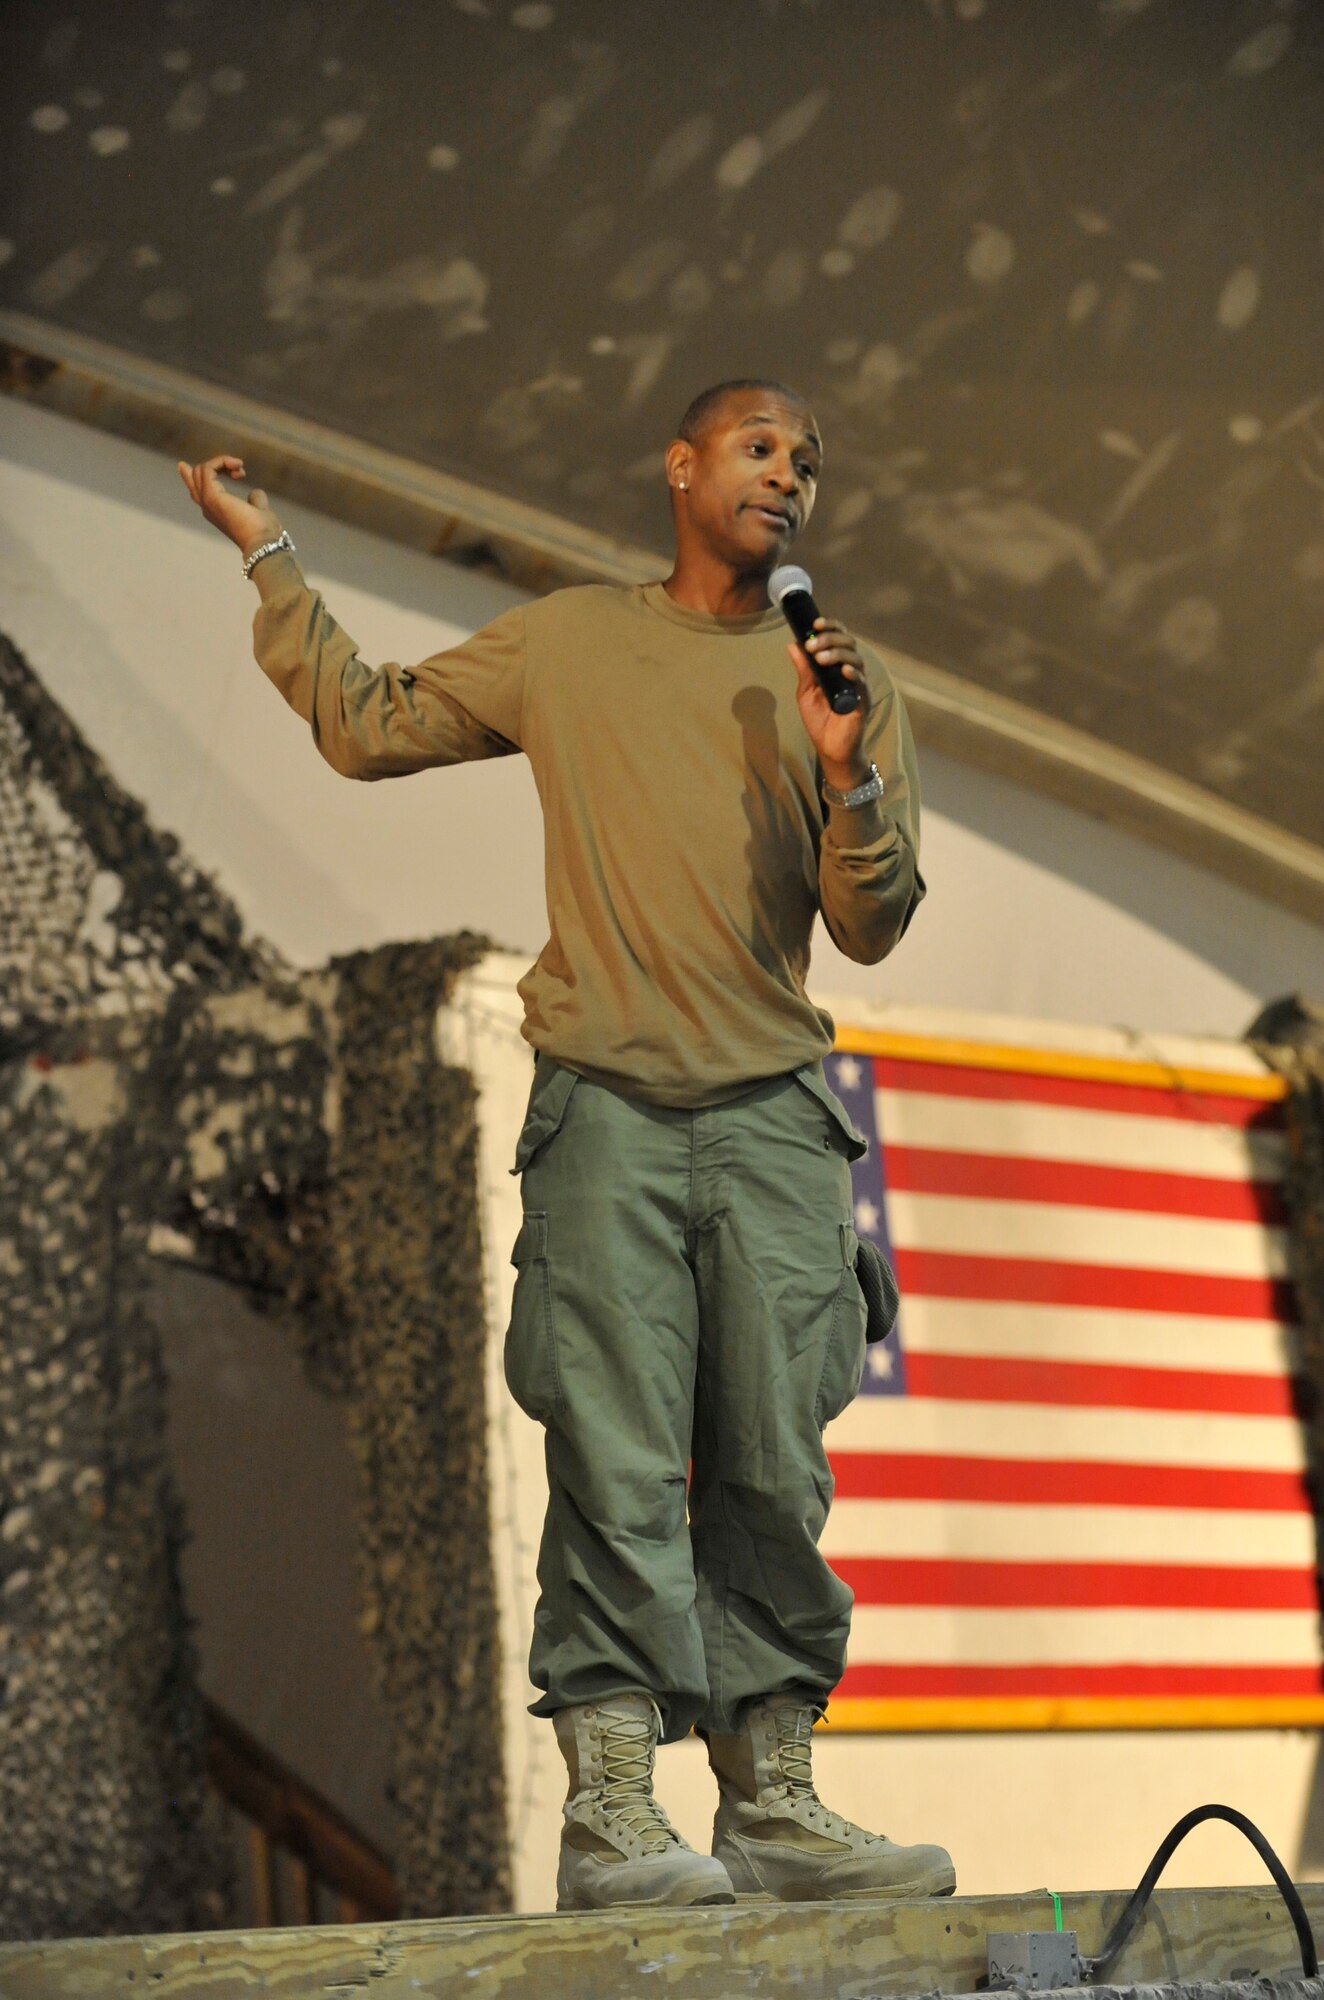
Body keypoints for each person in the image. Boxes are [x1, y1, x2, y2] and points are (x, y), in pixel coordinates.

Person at [178, 378, 954, 1912]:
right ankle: (614, 1810)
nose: (787, 476)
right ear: (680, 468)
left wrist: (849, 766)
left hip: (777, 1127)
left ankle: (776, 1801)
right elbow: (366, 722)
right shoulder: (572, 640)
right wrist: (271, 561)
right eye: (758, 448)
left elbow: (872, 921)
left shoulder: (838, 679)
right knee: (611, 1451)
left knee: (769, 1463)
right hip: (604, 1104)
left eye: (808, 461)